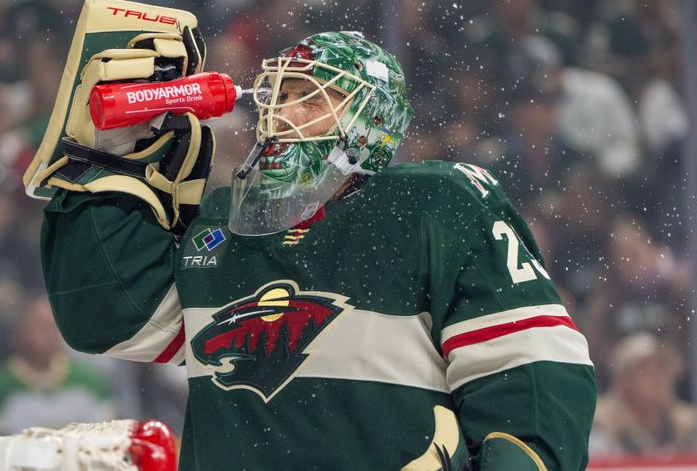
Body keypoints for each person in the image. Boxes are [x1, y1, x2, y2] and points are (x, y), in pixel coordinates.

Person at [38, 29, 596, 470]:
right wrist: (109, 173)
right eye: (280, 94)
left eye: (311, 97)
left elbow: (533, 369)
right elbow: (107, 319)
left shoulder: (434, 202)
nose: (282, 112)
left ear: (371, 121)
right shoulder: (221, 223)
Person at [0, 296, 114, 435]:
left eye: (54, 327)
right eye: (41, 327)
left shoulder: (88, 378)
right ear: (19, 334)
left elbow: (105, 433)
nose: (51, 335)